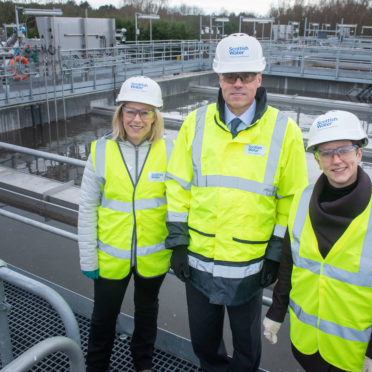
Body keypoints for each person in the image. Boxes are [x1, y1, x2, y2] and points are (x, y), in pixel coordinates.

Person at [165, 33, 308, 371]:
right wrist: (178, 243)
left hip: (250, 265)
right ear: (219, 78)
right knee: (203, 341)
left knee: (247, 350)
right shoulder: (195, 124)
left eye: (246, 75)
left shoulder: (284, 132)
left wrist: (276, 254)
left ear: (260, 77)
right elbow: (177, 188)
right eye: (231, 76)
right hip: (198, 261)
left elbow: (293, 199)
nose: (238, 83)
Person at [262, 110, 372, 372]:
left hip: (352, 354)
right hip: (305, 344)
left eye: (344, 150)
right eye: (326, 153)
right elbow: (288, 265)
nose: (336, 160)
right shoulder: (301, 201)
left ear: (359, 153)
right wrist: (276, 312)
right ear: (317, 160)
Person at [77, 76, 172, 372]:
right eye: (130, 111)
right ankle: (96, 367)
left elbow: (181, 206)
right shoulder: (101, 150)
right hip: (109, 258)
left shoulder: (170, 151)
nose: (137, 119)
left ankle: (143, 364)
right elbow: (87, 208)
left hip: (152, 256)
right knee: (103, 318)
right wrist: (88, 256)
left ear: (155, 116)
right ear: (119, 114)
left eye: (145, 112)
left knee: (147, 315)